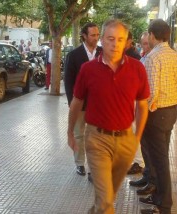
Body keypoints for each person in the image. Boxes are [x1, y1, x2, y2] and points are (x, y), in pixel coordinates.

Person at [67, 19, 150, 214]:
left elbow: (143, 105)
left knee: (107, 197)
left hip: (125, 141)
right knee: (106, 203)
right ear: (102, 40)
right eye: (110, 39)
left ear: (126, 42)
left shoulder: (137, 68)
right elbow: (76, 102)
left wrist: (136, 137)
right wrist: (70, 132)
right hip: (97, 140)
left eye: (120, 39)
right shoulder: (88, 69)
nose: (115, 44)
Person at [139, 19, 177, 214]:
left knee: (159, 161)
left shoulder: (153, 57)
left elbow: (150, 92)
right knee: (160, 159)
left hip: (156, 114)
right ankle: (159, 198)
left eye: (149, 36)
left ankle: (164, 206)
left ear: (152, 35)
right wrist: (173, 98)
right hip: (171, 113)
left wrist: (145, 110)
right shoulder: (176, 57)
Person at [64, 22, 102, 179]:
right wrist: (72, 103)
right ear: (84, 36)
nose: (96, 37)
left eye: (97, 34)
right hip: (80, 104)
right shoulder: (73, 56)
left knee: (95, 136)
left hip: (98, 105)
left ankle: (94, 166)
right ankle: (79, 163)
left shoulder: (103, 53)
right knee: (79, 134)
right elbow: (68, 82)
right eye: (93, 35)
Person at [128, 31, 151, 176]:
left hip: (145, 105)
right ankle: (141, 166)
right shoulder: (143, 58)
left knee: (140, 135)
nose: (145, 46)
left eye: (147, 43)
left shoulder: (144, 59)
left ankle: (140, 164)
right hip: (136, 104)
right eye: (143, 43)